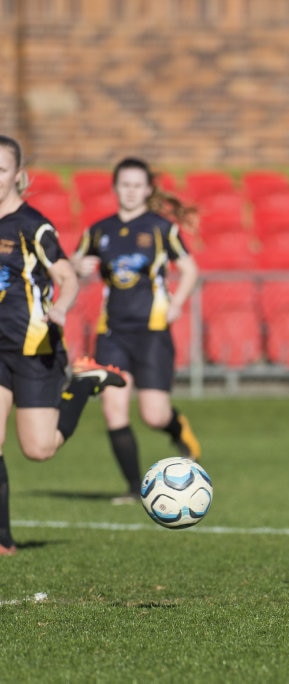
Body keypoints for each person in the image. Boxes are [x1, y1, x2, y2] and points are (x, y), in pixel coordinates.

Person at [0, 135, 126, 556]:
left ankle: (85, 383)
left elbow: (67, 275)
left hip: (35, 346)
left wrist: (61, 308)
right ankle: (3, 541)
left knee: (39, 450)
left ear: (18, 175)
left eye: (1, 170)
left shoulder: (33, 225)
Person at [71, 157, 202, 505]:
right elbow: (69, 268)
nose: (129, 191)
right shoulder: (98, 231)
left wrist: (177, 304)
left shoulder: (161, 229)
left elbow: (189, 269)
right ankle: (133, 489)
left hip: (152, 332)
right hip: (112, 332)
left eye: (136, 185)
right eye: (123, 185)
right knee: (114, 410)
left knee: (153, 414)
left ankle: (180, 432)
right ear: (115, 189)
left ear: (147, 190)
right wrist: (77, 266)